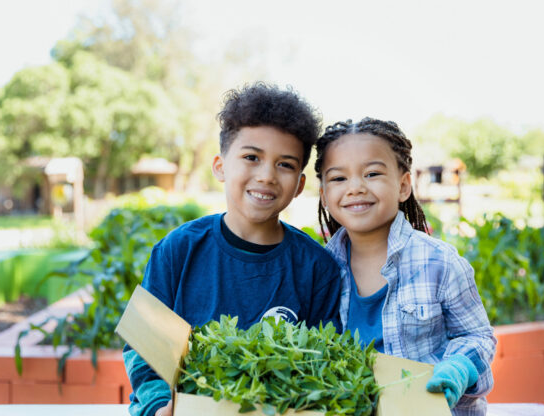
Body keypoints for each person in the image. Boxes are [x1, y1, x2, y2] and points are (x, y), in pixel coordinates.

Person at [123, 83, 343, 416]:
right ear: (220, 166)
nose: (267, 175)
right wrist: (157, 406)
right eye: (251, 157)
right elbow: (143, 351)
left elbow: (323, 370)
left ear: (299, 185)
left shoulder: (317, 268)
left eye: (285, 164)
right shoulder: (178, 250)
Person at [314, 117, 496, 416]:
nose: (356, 187)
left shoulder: (440, 262)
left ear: (403, 186)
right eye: (338, 178)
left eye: (372, 173)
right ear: (324, 195)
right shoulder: (322, 269)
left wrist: (459, 367)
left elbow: (477, 336)